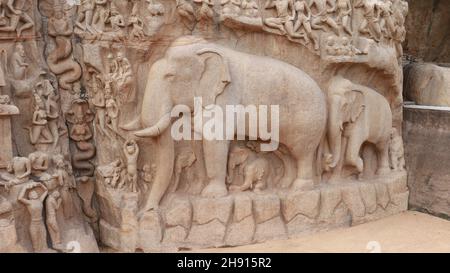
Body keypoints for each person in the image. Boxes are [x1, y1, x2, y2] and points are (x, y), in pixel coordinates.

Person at [18, 183, 49, 252]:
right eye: (33, 193)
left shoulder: (40, 200)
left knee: (44, 238)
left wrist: (41, 185)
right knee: (35, 241)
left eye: (35, 193)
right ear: (30, 196)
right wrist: (25, 187)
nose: (35, 194)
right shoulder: (29, 202)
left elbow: (46, 191)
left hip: (41, 223)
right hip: (34, 224)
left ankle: (45, 250)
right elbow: (19, 198)